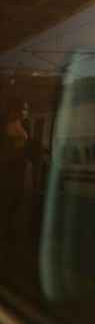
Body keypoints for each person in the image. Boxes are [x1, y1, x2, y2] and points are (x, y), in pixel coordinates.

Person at [1, 98, 29, 237]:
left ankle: (5, 219)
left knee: (17, 194)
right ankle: (4, 222)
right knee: (8, 194)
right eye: (23, 108)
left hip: (19, 164)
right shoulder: (4, 123)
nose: (25, 112)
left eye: (26, 109)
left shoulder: (23, 122)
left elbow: (26, 143)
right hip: (8, 165)